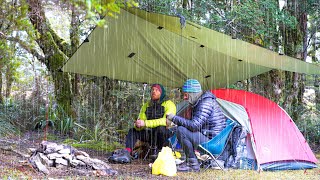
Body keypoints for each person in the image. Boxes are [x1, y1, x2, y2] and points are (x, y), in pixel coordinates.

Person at [166, 79, 226, 172]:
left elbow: (194, 126)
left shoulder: (205, 103)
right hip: (211, 137)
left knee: (181, 130)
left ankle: (192, 164)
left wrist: (174, 118)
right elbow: (195, 124)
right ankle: (191, 161)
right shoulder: (201, 101)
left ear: (193, 93)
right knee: (180, 128)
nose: (184, 98)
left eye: (186, 95)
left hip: (213, 142)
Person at [108, 84, 176, 163]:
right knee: (133, 131)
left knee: (160, 128)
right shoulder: (146, 105)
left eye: (157, 90)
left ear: (162, 93)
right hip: (151, 135)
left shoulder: (169, 104)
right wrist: (138, 125)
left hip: (165, 134)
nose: (153, 92)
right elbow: (141, 121)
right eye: (152, 90)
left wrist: (145, 123)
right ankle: (127, 153)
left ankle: (159, 152)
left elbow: (166, 122)